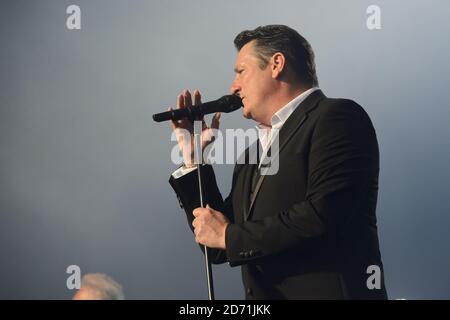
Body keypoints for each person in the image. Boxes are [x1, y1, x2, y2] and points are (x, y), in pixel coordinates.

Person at [168, 25, 387, 299]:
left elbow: (322, 215)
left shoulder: (337, 117)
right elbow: (217, 244)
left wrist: (228, 235)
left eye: (241, 71)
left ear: (276, 64)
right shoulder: (250, 156)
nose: (233, 86)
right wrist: (193, 161)